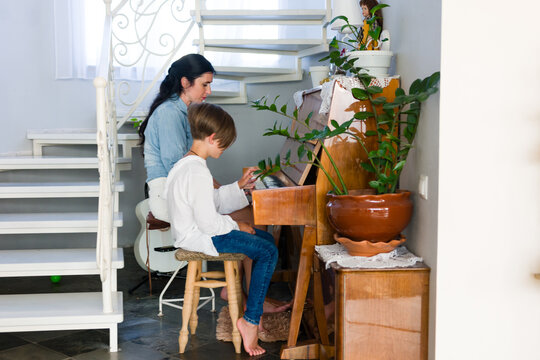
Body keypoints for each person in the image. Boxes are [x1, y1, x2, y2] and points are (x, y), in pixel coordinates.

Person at [164, 102, 277, 356]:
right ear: (212, 138)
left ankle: (252, 315)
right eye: (224, 143)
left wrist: (239, 186)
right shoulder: (196, 172)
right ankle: (250, 322)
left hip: (198, 232)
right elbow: (208, 223)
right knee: (267, 251)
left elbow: (212, 202)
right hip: (201, 237)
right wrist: (240, 225)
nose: (225, 149)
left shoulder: (189, 164)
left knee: (266, 240)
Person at [138, 53, 215, 222]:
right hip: (168, 199)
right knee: (243, 213)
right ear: (185, 82)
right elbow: (177, 167)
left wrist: (222, 189)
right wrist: (217, 189)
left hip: (180, 192)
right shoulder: (169, 113)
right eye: (205, 84)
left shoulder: (184, 112)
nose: (209, 91)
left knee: (239, 206)